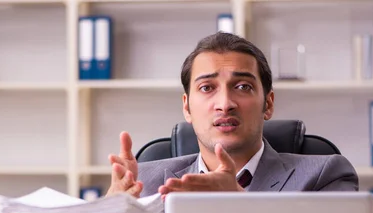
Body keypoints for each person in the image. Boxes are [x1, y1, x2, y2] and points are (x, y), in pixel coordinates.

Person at [106, 32, 358, 198]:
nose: (225, 104)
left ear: (268, 103)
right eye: (207, 88)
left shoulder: (325, 175)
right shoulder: (143, 183)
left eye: (242, 87)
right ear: (187, 107)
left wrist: (238, 202)